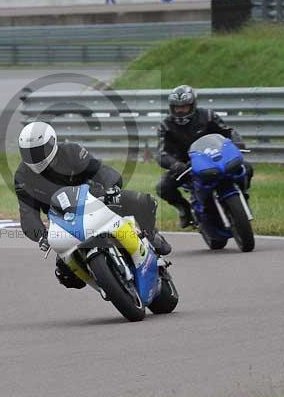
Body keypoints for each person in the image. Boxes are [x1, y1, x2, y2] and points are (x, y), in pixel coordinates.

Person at [14, 121, 171, 289]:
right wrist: (40, 236)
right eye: (29, 153)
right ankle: (105, 280)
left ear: (52, 143)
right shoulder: (22, 176)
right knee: (66, 275)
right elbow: (28, 214)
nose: (34, 157)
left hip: (95, 200)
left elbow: (101, 171)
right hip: (62, 220)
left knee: (143, 201)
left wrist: (112, 188)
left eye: (38, 151)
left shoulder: (71, 152)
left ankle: (150, 234)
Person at [155, 85, 252, 228]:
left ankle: (243, 196)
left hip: (213, 157)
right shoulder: (165, 125)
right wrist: (175, 164)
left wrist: (237, 143)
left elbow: (227, 132)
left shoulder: (208, 116)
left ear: (193, 105)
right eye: (177, 107)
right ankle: (184, 209)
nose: (181, 110)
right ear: (171, 107)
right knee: (163, 187)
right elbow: (161, 152)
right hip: (185, 165)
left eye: (185, 107)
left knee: (246, 168)